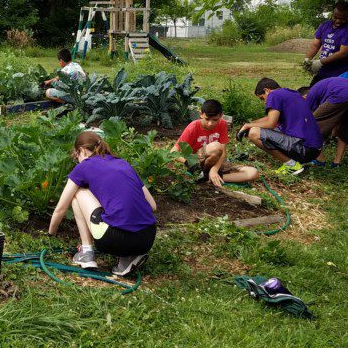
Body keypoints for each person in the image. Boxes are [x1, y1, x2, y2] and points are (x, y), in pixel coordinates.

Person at [48, 131, 157, 276]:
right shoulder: (123, 163)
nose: (77, 160)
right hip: (147, 238)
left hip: (115, 239)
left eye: (76, 156)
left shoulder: (83, 167)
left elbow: (60, 209)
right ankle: (128, 259)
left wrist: (50, 235)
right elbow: (153, 205)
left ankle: (86, 252)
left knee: (77, 193)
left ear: (81, 150)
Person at [241, 78, 323, 176]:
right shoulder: (292, 93)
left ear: (267, 90)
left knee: (254, 132)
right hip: (314, 150)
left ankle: (291, 165)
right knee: (257, 129)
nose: (264, 102)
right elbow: (269, 119)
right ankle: (295, 162)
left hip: (304, 148)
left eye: (262, 98)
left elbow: (271, 123)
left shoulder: (274, 94)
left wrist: (249, 126)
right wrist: (249, 124)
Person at [172, 99, 259, 186]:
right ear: (201, 114)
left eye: (215, 120)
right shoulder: (193, 127)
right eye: (207, 119)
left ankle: (210, 177)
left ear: (221, 116)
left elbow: (223, 153)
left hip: (215, 162)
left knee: (253, 172)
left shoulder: (222, 124)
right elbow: (173, 152)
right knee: (216, 147)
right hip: (198, 162)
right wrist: (189, 164)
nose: (210, 123)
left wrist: (214, 170)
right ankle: (203, 173)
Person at [298, 77, 348, 167]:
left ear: (304, 97)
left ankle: (319, 160)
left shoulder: (310, 95)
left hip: (341, 93)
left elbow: (308, 118)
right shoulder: (322, 88)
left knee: (310, 126)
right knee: (346, 128)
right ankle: (337, 162)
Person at [304, 1, 348, 85]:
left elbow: (343, 53)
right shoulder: (325, 26)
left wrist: (320, 62)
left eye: (342, 19)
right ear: (332, 14)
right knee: (312, 94)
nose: (338, 21)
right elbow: (315, 44)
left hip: (342, 75)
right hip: (323, 72)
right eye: (335, 17)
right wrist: (307, 59)